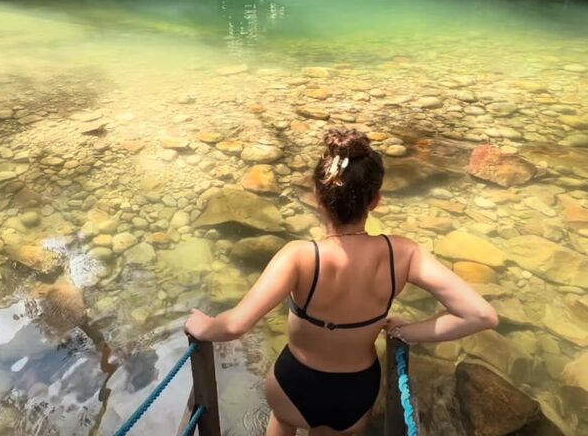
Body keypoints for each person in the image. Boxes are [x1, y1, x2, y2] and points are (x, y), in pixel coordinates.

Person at [184, 129, 498, 436]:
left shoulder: (299, 256)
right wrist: (406, 331)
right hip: (355, 391)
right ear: (375, 201)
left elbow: (235, 325)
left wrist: (204, 327)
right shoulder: (403, 253)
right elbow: (481, 315)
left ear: (317, 198)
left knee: (281, 422)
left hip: (295, 384)